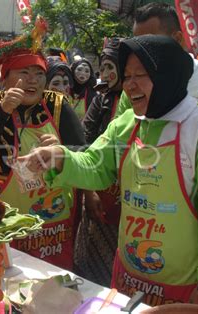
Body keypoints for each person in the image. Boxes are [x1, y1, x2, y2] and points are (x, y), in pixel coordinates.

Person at [20, 35, 198, 308]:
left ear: (169, 76)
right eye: (127, 75)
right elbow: (96, 165)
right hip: (129, 279)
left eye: (141, 74)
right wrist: (60, 158)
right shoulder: (129, 123)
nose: (130, 84)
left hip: (184, 290)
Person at [0, 18, 85, 270]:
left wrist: (62, 151)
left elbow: (84, 154)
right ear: (4, 77)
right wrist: (3, 112)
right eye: (24, 73)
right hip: (6, 222)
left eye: (39, 74)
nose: (33, 81)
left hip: (54, 226)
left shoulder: (57, 105)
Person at [115, 2, 198, 195]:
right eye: (135, 45)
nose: (139, 55)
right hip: (144, 208)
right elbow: (118, 146)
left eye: (150, 44)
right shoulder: (132, 88)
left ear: (178, 39)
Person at [74, 38, 124, 287]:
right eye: (103, 67)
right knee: (90, 266)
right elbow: (84, 143)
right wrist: (88, 190)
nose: (106, 74)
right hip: (99, 193)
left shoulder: (146, 101)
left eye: (111, 66)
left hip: (132, 200)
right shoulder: (100, 100)